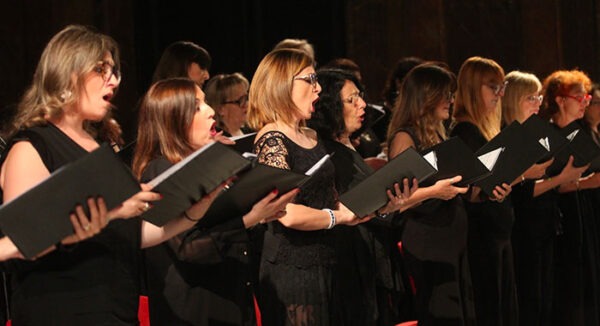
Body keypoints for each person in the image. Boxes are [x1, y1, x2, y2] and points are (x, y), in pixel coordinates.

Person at [0, 25, 222, 325]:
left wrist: (194, 211)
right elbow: (20, 241)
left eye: (114, 71)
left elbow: (132, 235)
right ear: (67, 72)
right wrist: (111, 213)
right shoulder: (32, 146)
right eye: (101, 69)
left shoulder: (99, 147)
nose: (114, 80)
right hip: (60, 311)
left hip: (116, 311)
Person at [132, 77, 298, 326]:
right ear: (174, 118)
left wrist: (259, 213)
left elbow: (226, 230)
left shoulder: (205, 167)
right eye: (198, 106)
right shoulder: (160, 171)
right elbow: (187, 248)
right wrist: (249, 219)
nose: (211, 112)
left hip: (230, 299)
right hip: (194, 310)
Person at [247, 48, 369, 325]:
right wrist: (339, 217)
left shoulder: (311, 134)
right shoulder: (272, 139)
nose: (318, 88)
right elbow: (284, 213)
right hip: (293, 268)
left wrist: (369, 206)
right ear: (282, 84)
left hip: (328, 257)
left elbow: (326, 195)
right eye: (310, 80)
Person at [308, 68, 416, 325]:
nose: (362, 104)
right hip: (351, 261)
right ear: (330, 106)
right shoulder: (329, 153)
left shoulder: (347, 146)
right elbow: (354, 205)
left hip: (369, 254)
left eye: (360, 96)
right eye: (351, 99)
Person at [386, 63, 476, 325]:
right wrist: (435, 191)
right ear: (426, 96)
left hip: (451, 238)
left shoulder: (439, 133)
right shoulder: (405, 137)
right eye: (445, 94)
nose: (451, 100)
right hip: (428, 241)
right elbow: (395, 201)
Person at [502, 70, 587, 326]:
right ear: (513, 99)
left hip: (545, 223)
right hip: (523, 229)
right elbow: (523, 193)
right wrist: (562, 178)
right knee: (530, 300)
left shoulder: (533, 133)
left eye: (539, 97)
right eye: (531, 98)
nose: (538, 104)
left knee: (544, 299)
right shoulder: (508, 135)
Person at [449, 56, 516, 326]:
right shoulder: (464, 131)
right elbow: (468, 191)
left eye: (502, 88)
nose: (499, 96)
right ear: (473, 88)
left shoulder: (482, 128)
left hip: (496, 231)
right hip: (480, 236)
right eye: (493, 88)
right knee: (490, 309)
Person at [540, 69, 600, 326]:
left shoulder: (578, 132)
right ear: (560, 100)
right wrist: (589, 182)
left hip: (584, 214)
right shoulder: (548, 136)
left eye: (587, 97)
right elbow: (556, 185)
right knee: (571, 288)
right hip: (561, 222)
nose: (585, 103)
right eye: (579, 97)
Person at [204, 73, 253, 137]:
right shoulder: (215, 141)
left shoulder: (252, 133)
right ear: (220, 109)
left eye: (246, 98)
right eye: (240, 100)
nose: (247, 104)